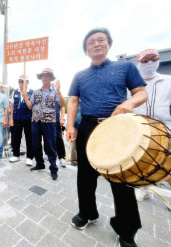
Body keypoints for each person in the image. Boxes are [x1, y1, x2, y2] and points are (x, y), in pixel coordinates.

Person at [66, 28, 148, 247]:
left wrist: (128, 103)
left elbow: (141, 92)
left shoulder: (126, 67)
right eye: (91, 42)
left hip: (116, 128)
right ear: (86, 50)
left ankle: (127, 229)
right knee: (84, 176)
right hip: (88, 127)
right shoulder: (80, 75)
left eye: (101, 40)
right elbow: (73, 101)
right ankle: (87, 213)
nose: (96, 44)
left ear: (109, 44)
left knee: (121, 178)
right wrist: (70, 125)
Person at [133, 48, 171, 208]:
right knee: (142, 162)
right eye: (145, 60)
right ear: (139, 63)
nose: (149, 63)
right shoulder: (132, 83)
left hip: (164, 127)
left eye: (153, 58)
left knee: (168, 163)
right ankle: (144, 189)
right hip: (140, 129)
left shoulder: (168, 81)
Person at [23, 68, 65, 180]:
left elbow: (62, 104)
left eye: (47, 75)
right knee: (35, 144)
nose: (45, 77)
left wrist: (59, 91)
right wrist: (24, 96)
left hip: (50, 122)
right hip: (36, 121)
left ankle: (53, 168)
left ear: (51, 77)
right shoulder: (36, 92)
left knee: (50, 145)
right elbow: (30, 106)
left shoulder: (55, 92)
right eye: (43, 75)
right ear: (41, 78)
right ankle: (40, 164)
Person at [9, 75, 34, 166]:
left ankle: (29, 157)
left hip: (28, 118)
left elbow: (32, 106)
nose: (21, 83)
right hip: (17, 118)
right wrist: (11, 118)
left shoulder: (31, 92)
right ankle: (16, 154)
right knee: (16, 137)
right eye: (20, 81)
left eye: (23, 81)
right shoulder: (15, 92)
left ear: (27, 82)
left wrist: (25, 95)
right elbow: (11, 105)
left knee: (29, 138)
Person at [51, 79, 66, 168]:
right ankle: (49, 154)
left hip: (56, 119)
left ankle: (62, 157)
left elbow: (63, 106)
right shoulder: (45, 93)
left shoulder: (58, 94)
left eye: (54, 84)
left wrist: (62, 118)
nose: (52, 85)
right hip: (47, 120)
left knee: (59, 138)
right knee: (48, 138)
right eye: (51, 84)